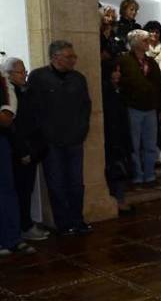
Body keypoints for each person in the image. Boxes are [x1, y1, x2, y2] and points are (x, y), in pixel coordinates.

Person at [27, 41, 93, 236]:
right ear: (55, 57)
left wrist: (82, 131)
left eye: (74, 56)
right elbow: (34, 109)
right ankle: (63, 224)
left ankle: (77, 220)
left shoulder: (78, 78)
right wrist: (44, 134)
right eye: (69, 57)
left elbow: (85, 107)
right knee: (56, 184)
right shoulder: (38, 77)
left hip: (74, 140)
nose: (73, 60)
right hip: (51, 142)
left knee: (76, 183)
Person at [2, 57, 50, 239]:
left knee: (26, 190)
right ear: (8, 75)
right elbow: (13, 126)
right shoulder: (8, 94)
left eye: (25, 71)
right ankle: (20, 228)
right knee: (16, 191)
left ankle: (24, 225)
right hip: (17, 151)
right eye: (20, 72)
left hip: (31, 148)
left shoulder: (26, 92)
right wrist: (22, 151)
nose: (24, 75)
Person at [117, 29, 161, 187]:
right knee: (134, 145)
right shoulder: (125, 61)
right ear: (136, 43)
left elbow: (159, 86)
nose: (148, 43)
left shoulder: (151, 62)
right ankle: (137, 176)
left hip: (150, 109)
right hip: (133, 108)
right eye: (145, 41)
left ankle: (149, 175)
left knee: (150, 144)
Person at [0, 72, 36, 255]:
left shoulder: (1, 78)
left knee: (7, 191)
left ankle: (12, 238)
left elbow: (8, 111)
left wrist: (5, 113)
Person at [102, 63, 134, 214]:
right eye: (115, 70)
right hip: (112, 137)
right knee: (115, 169)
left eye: (119, 71)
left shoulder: (120, 90)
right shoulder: (106, 92)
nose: (118, 74)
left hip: (121, 136)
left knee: (121, 169)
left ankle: (120, 199)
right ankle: (117, 201)